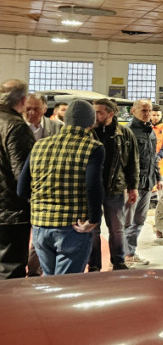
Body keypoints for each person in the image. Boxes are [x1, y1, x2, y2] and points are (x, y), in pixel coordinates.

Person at [17, 100, 103, 275]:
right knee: (67, 287)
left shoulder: (39, 145)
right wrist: (94, 219)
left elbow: (22, 189)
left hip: (41, 226)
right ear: (91, 122)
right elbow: (93, 185)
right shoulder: (93, 147)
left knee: (51, 281)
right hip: (72, 226)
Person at [88, 98, 139, 272]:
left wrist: (133, 187)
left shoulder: (124, 134)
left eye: (99, 112)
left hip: (115, 189)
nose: (95, 115)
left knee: (117, 229)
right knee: (92, 230)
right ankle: (94, 264)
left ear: (111, 114)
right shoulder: (87, 132)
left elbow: (132, 162)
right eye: (94, 111)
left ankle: (118, 262)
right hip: (91, 189)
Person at [22, 94, 62, 276]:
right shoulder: (17, 127)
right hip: (21, 187)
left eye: (36, 109)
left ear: (45, 109)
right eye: (27, 108)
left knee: (41, 234)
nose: (31, 113)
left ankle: (35, 272)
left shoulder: (58, 128)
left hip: (49, 189)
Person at [0, 79, 35, 279]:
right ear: (22, 101)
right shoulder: (15, 126)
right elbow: (23, 173)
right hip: (11, 210)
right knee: (10, 270)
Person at [125, 99, 160, 266]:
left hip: (147, 183)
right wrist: (130, 186)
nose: (147, 114)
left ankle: (129, 252)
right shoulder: (128, 131)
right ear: (133, 111)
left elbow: (153, 157)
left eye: (149, 110)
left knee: (139, 220)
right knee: (127, 221)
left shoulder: (150, 131)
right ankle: (123, 255)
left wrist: (157, 177)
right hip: (133, 186)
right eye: (143, 110)